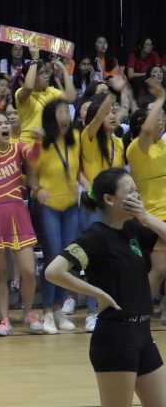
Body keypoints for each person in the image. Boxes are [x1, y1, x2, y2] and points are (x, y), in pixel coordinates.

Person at [45, 168, 166, 407]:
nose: (137, 196)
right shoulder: (96, 236)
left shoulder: (133, 229)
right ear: (109, 199)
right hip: (116, 337)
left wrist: (145, 217)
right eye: (130, 191)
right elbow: (53, 271)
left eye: (137, 191)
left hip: (143, 333)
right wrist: (97, 293)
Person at [0, 96, 44, 336]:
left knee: (28, 270)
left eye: (6, 122)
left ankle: (29, 313)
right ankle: (4, 319)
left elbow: (33, 157)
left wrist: (38, 141)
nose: (4, 126)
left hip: (18, 212)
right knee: (0, 273)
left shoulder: (17, 147)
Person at [80, 84, 127, 331]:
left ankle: (114, 307)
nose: (112, 115)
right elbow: (98, 117)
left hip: (115, 209)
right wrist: (112, 93)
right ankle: (92, 312)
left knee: (115, 259)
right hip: (93, 206)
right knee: (93, 259)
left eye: (115, 111)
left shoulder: (119, 143)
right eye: (108, 112)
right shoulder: (88, 138)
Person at [32, 98, 81, 335]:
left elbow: (79, 171)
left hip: (71, 205)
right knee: (53, 257)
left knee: (67, 258)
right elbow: (31, 176)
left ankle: (59, 308)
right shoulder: (40, 143)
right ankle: (47, 311)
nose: (66, 115)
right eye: (61, 111)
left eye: (67, 111)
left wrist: (87, 184)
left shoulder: (76, 138)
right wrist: (37, 189)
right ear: (51, 117)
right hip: (48, 205)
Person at [126, 80, 166, 315]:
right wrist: (160, 98)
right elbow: (149, 131)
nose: (159, 120)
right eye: (153, 117)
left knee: (160, 270)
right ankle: (133, 311)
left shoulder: (163, 146)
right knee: (159, 270)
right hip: (153, 217)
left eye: (161, 116)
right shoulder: (136, 148)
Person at [15, 45, 76, 144]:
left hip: (47, 142)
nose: (46, 76)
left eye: (46, 72)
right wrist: (34, 59)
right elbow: (29, 87)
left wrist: (64, 69)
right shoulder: (20, 92)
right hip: (28, 143)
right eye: (41, 73)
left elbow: (70, 98)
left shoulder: (50, 91)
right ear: (31, 76)